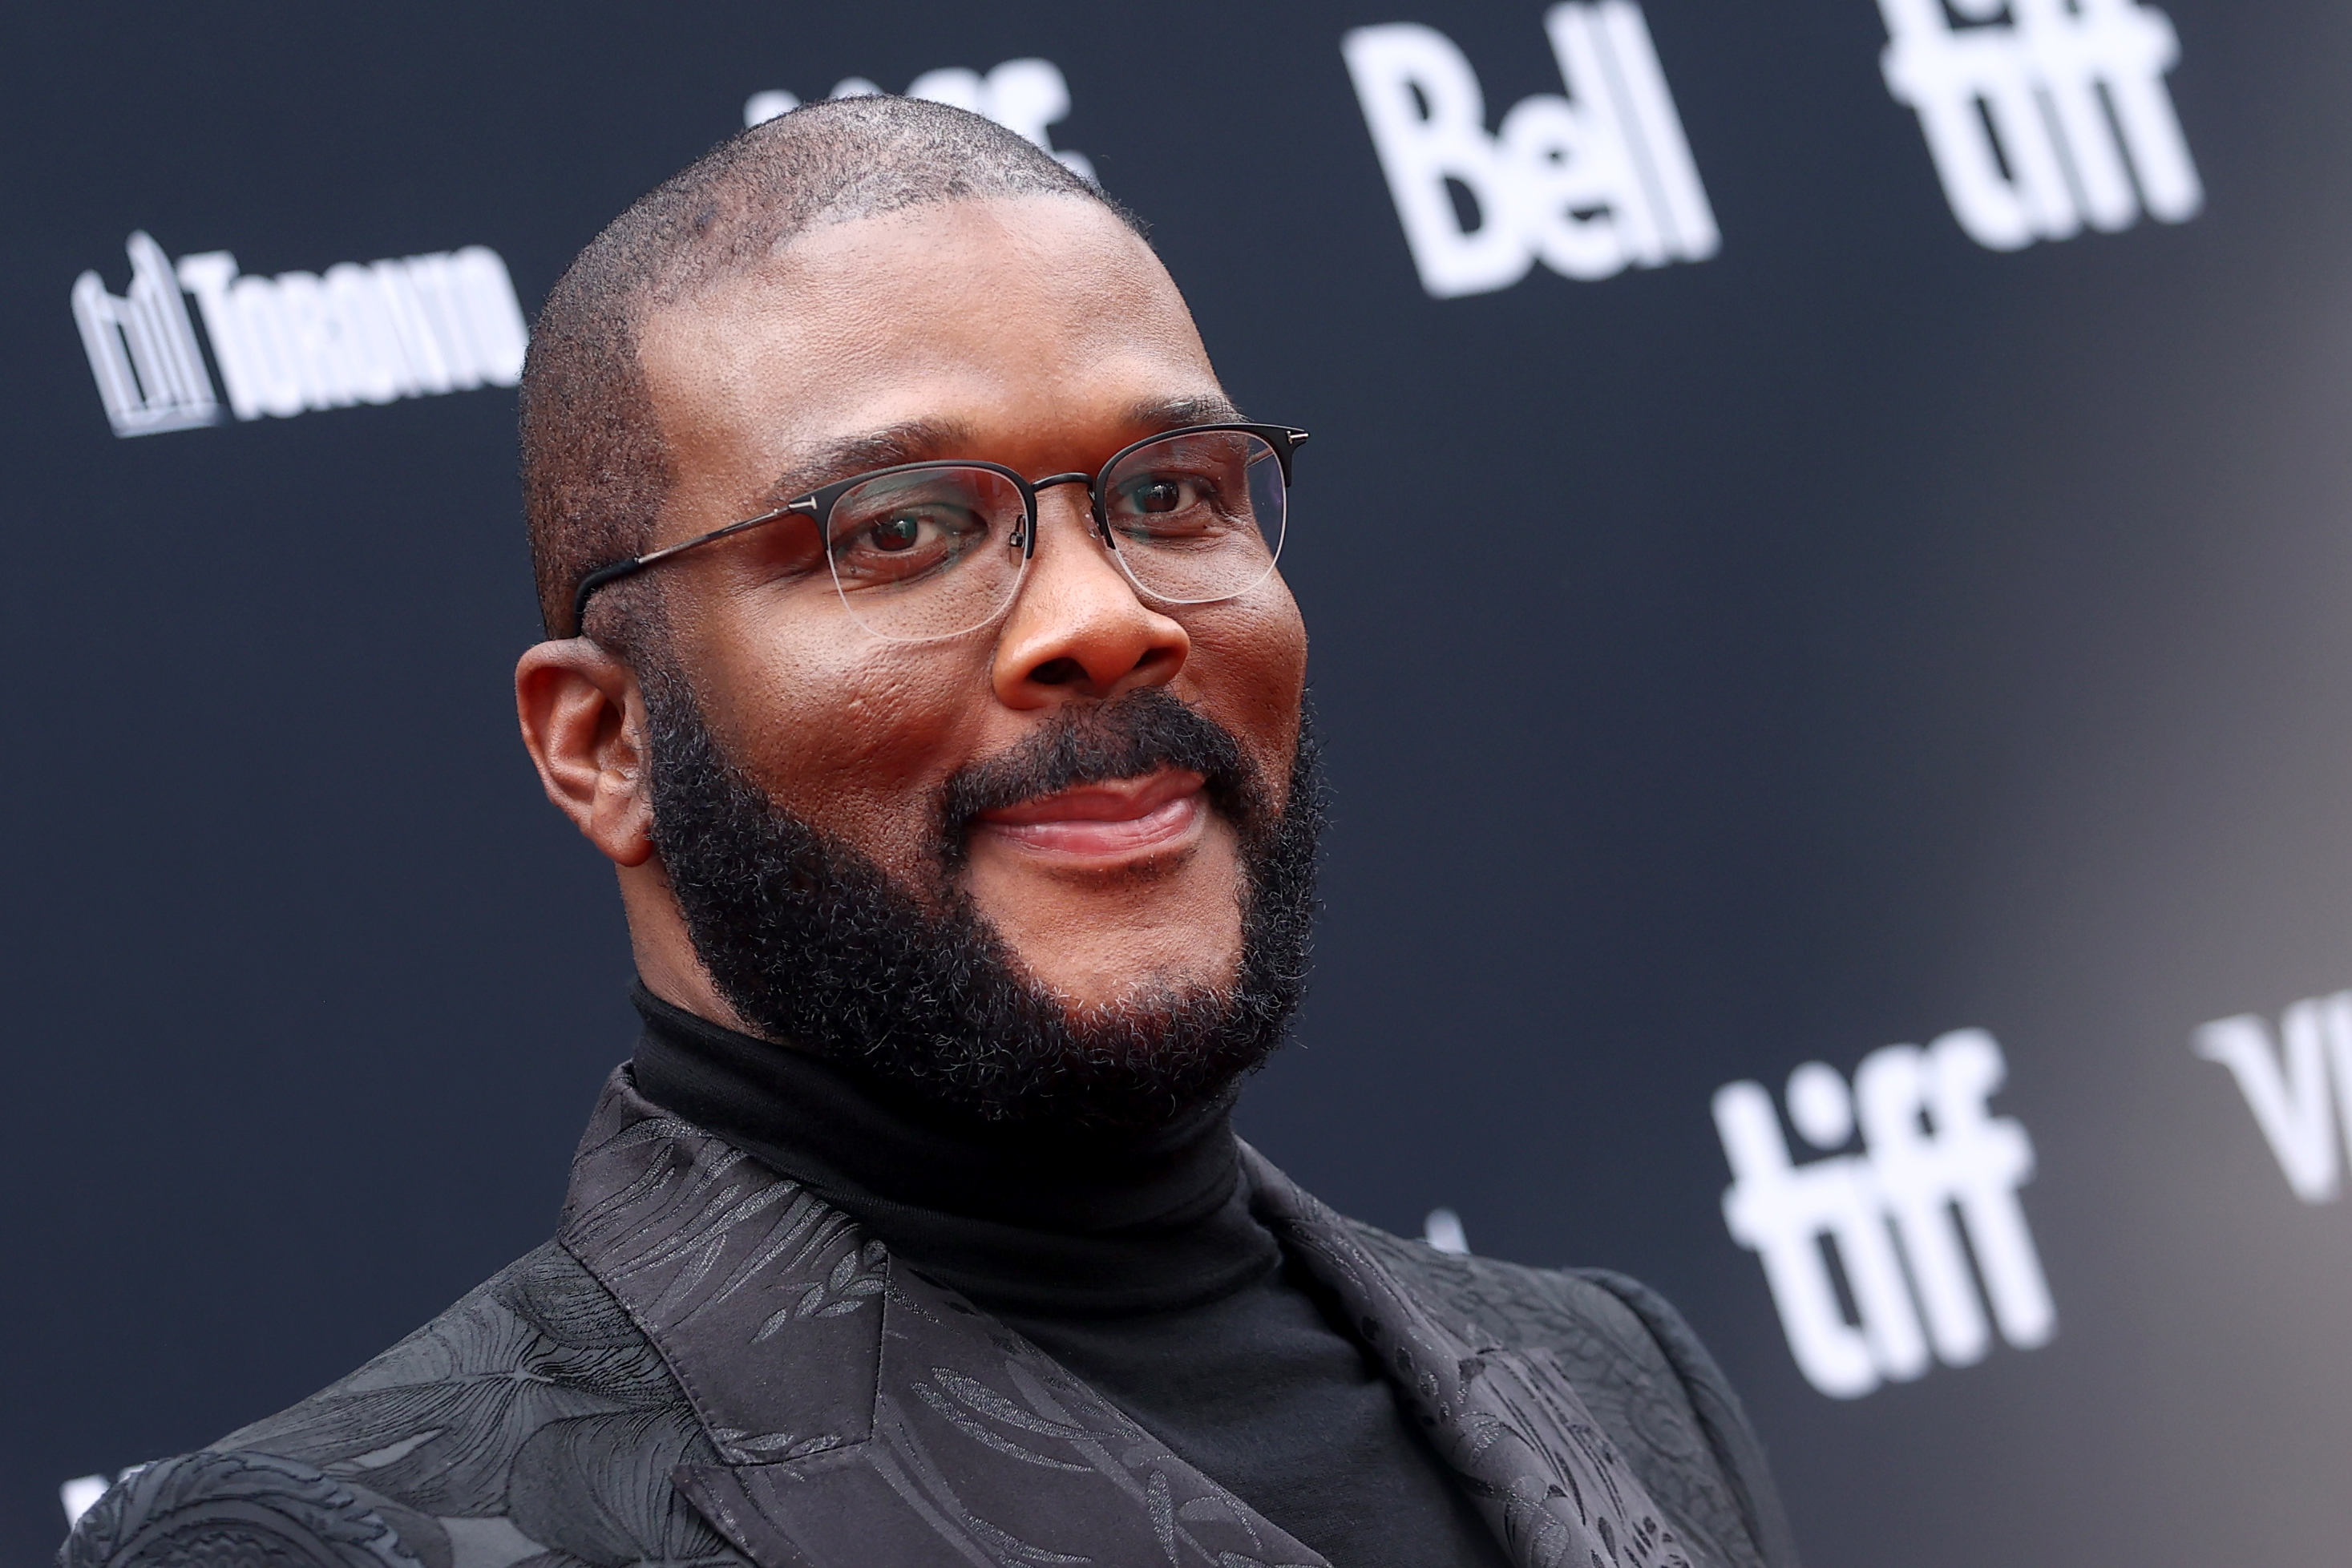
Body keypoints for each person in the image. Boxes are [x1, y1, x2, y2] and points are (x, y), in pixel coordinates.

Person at [62, 97, 1797, 1568]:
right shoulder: (362, 1532)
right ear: (603, 742)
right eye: (896, 532)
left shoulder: (1613, 1376)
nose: (1103, 620)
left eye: (1173, 494)